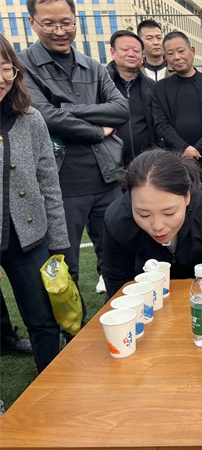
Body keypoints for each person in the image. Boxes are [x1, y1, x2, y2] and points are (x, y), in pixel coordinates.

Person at [18, 0, 129, 327]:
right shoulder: (23, 65)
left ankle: (123, 320)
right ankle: (71, 334)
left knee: (117, 256)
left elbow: (121, 109)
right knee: (65, 268)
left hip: (107, 179)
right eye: (49, 23)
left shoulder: (92, 66)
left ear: (75, 20)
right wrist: (97, 131)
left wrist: (68, 109)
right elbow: (44, 116)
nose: (60, 31)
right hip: (59, 186)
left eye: (66, 22)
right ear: (32, 22)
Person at [0, 33, 70, 373]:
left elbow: (49, 185)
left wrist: (58, 243)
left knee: (43, 317)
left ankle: (50, 377)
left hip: (29, 239)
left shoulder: (31, 119)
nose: (1, 78)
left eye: (6, 68)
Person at [102, 149, 202, 298]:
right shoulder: (117, 219)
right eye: (144, 215)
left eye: (169, 213)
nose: (157, 226)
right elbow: (117, 280)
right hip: (148, 289)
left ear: (187, 197)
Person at [153, 31, 202, 193]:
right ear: (165, 57)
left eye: (181, 51)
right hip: (175, 166)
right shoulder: (160, 88)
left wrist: (197, 149)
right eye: (170, 54)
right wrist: (184, 148)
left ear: (192, 51)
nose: (177, 57)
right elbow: (161, 124)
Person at [107, 30, 157, 167]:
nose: (131, 54)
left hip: (145, 165)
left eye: (136, 50)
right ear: (113, 52)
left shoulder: (151, 87)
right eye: (125, 49)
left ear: (142, 56)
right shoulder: (100, 84)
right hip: (111, 165)